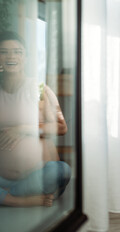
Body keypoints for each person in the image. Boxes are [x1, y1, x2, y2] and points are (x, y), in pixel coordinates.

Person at [0, 31, 71, 207]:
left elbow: (61, 127)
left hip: (37, 175)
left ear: (25, 57)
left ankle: (7, 198)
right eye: (4, 51)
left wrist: (24, 128)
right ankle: (20, 200)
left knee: (60, 170)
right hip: (2, 178)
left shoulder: (38, 88)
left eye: (17, 51)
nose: (11, 56)